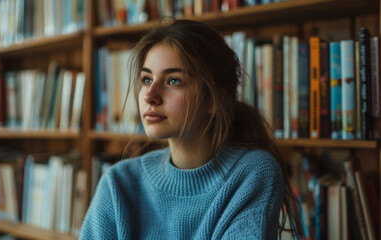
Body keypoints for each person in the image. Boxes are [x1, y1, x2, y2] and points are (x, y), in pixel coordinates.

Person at [80, 19, 300, 239]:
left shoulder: (253, 173)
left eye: (174, 81)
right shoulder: (118, 183)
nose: (149, 95)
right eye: (146, 79)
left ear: (215, 99)